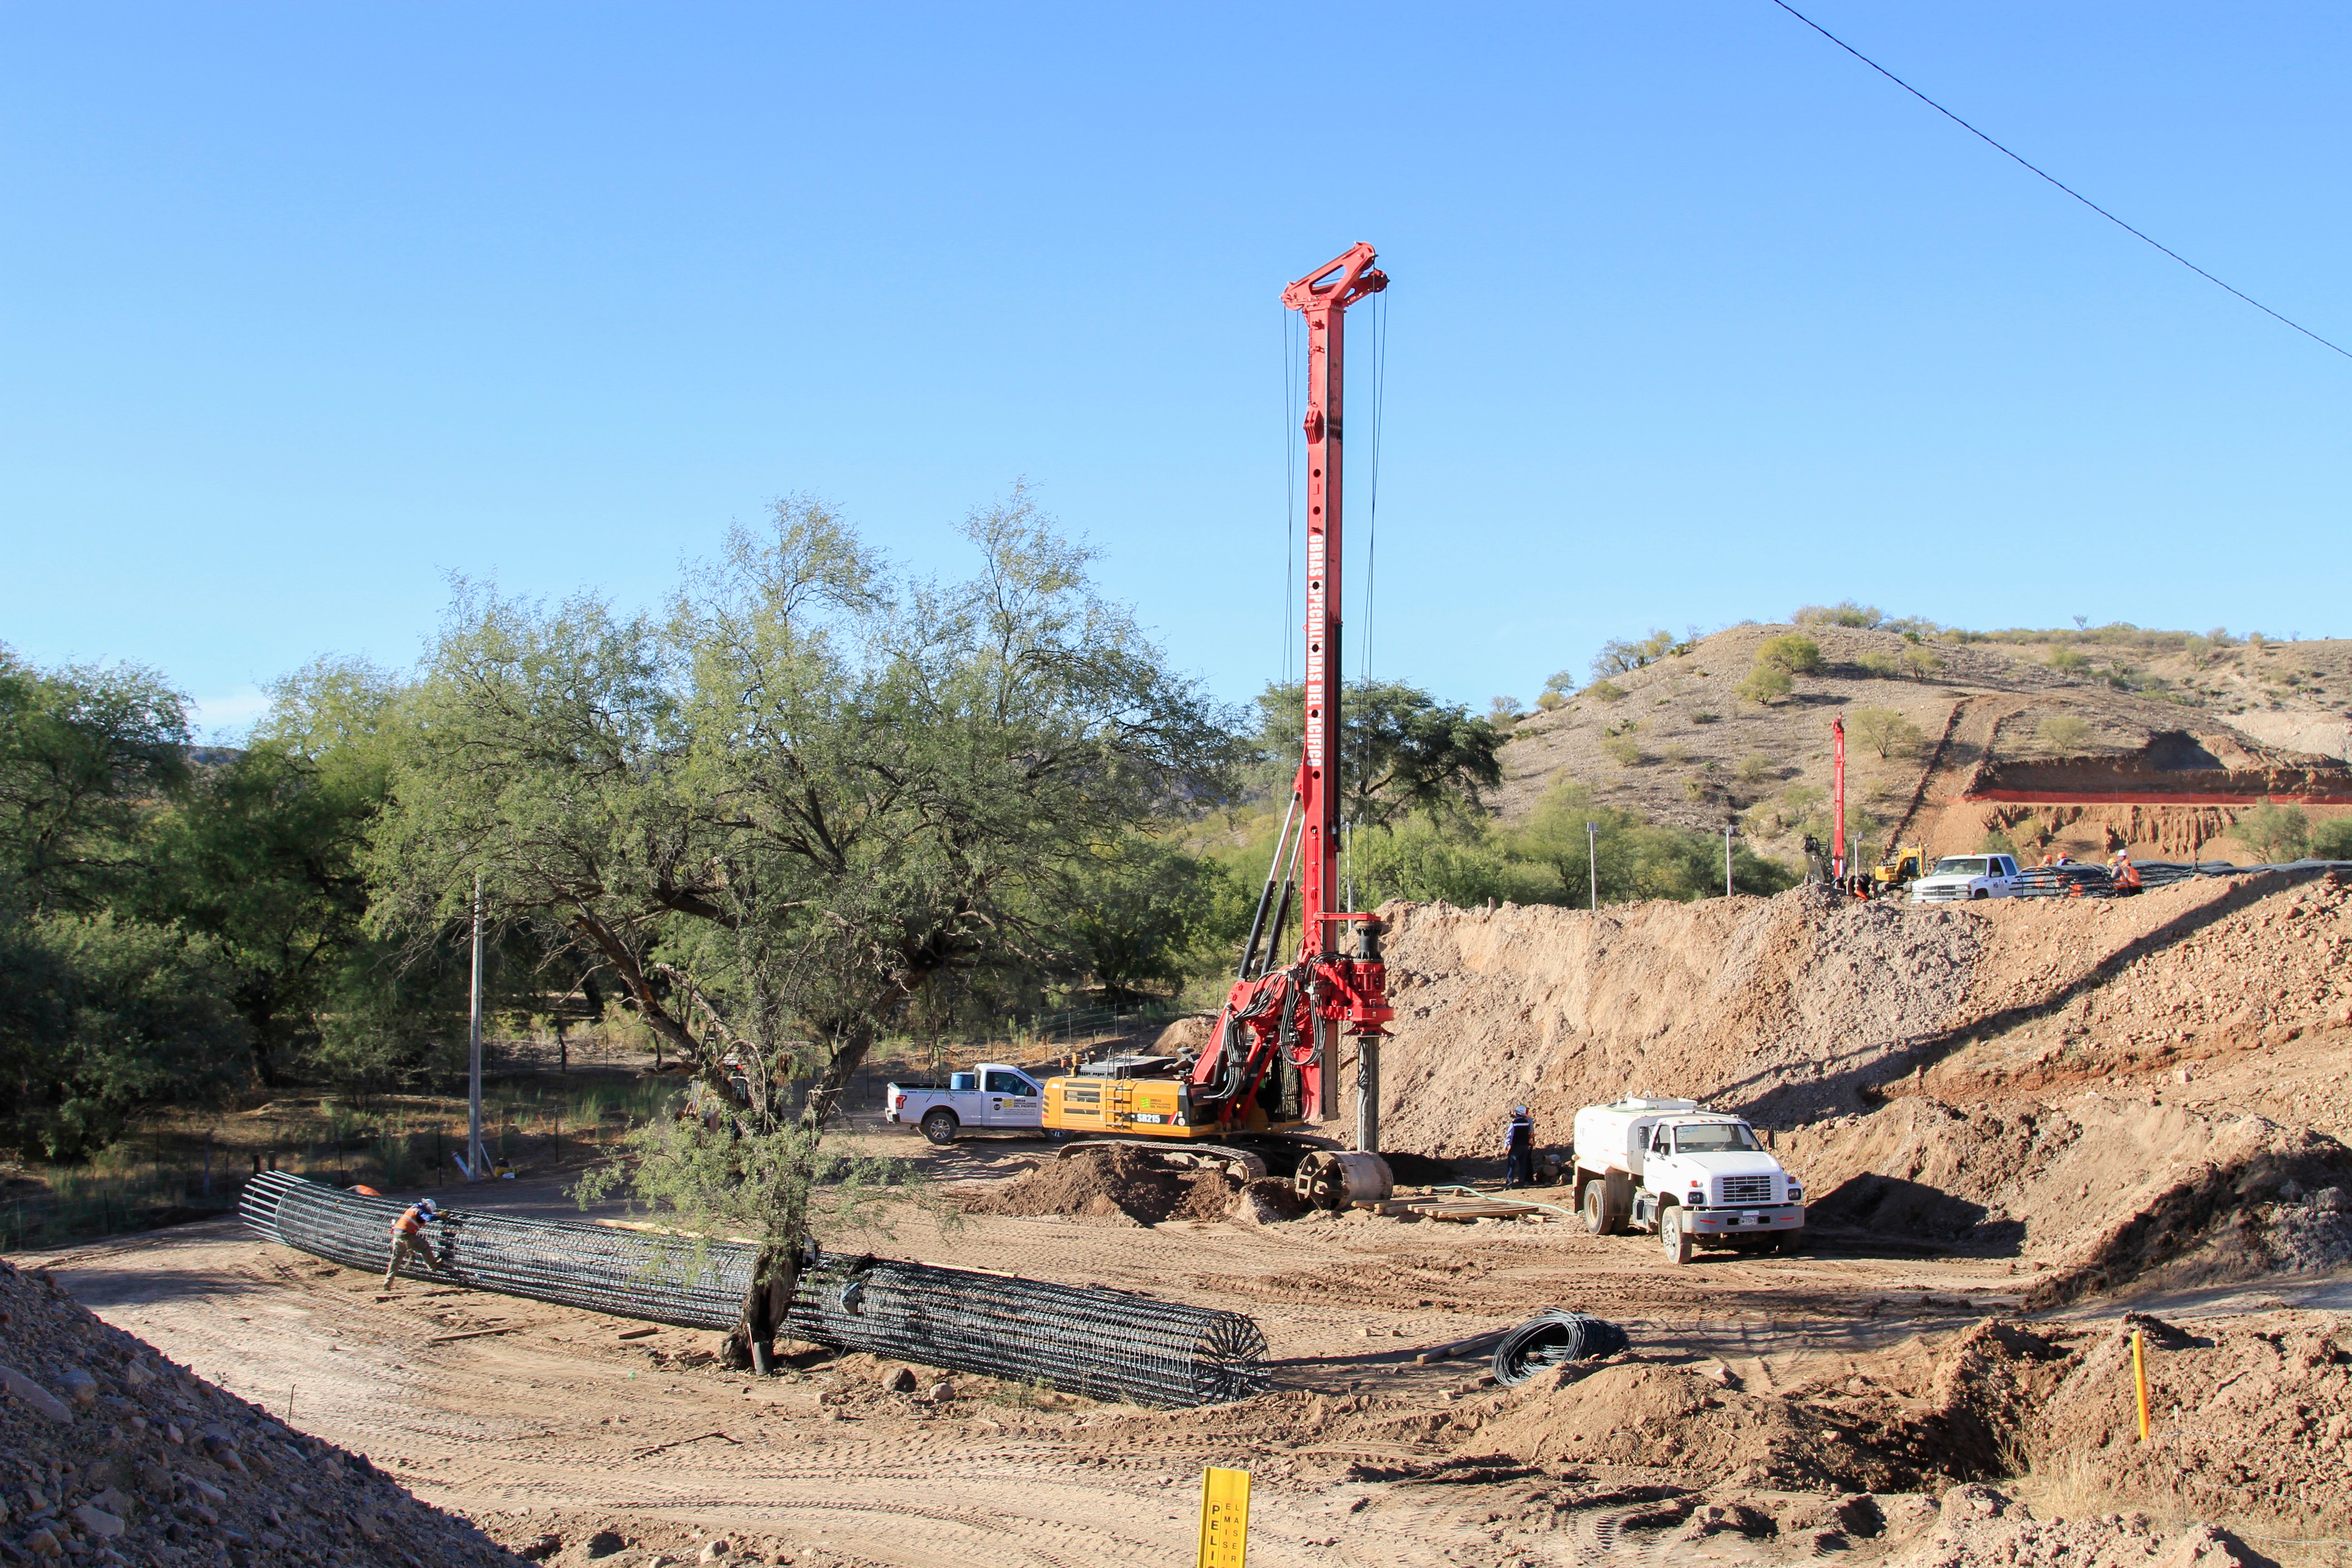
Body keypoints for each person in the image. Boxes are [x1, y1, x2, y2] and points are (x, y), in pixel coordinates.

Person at [384, 1197, 441, 1291]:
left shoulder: (412, 1209)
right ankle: (433, 1266)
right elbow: (428, 1218)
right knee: (425, 1247)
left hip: (397, 1236)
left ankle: (387, 1283)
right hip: (407, 1235)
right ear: (427, 1207)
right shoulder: (420, 1211)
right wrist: (440, 1217)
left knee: (396, 1260)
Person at [1503, 1107, 1536, 1189]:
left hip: (1516, 1146)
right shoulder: (1527, 1123)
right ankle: (1522, 1184)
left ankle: (1510, 1184)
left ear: (1517, 1114)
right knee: (1523, 1165)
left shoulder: (1514, 1123)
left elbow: (1510, 1135)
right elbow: (1529, 1132)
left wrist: (1506, 1145)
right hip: (1525, 1146)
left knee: (1512, 1165)